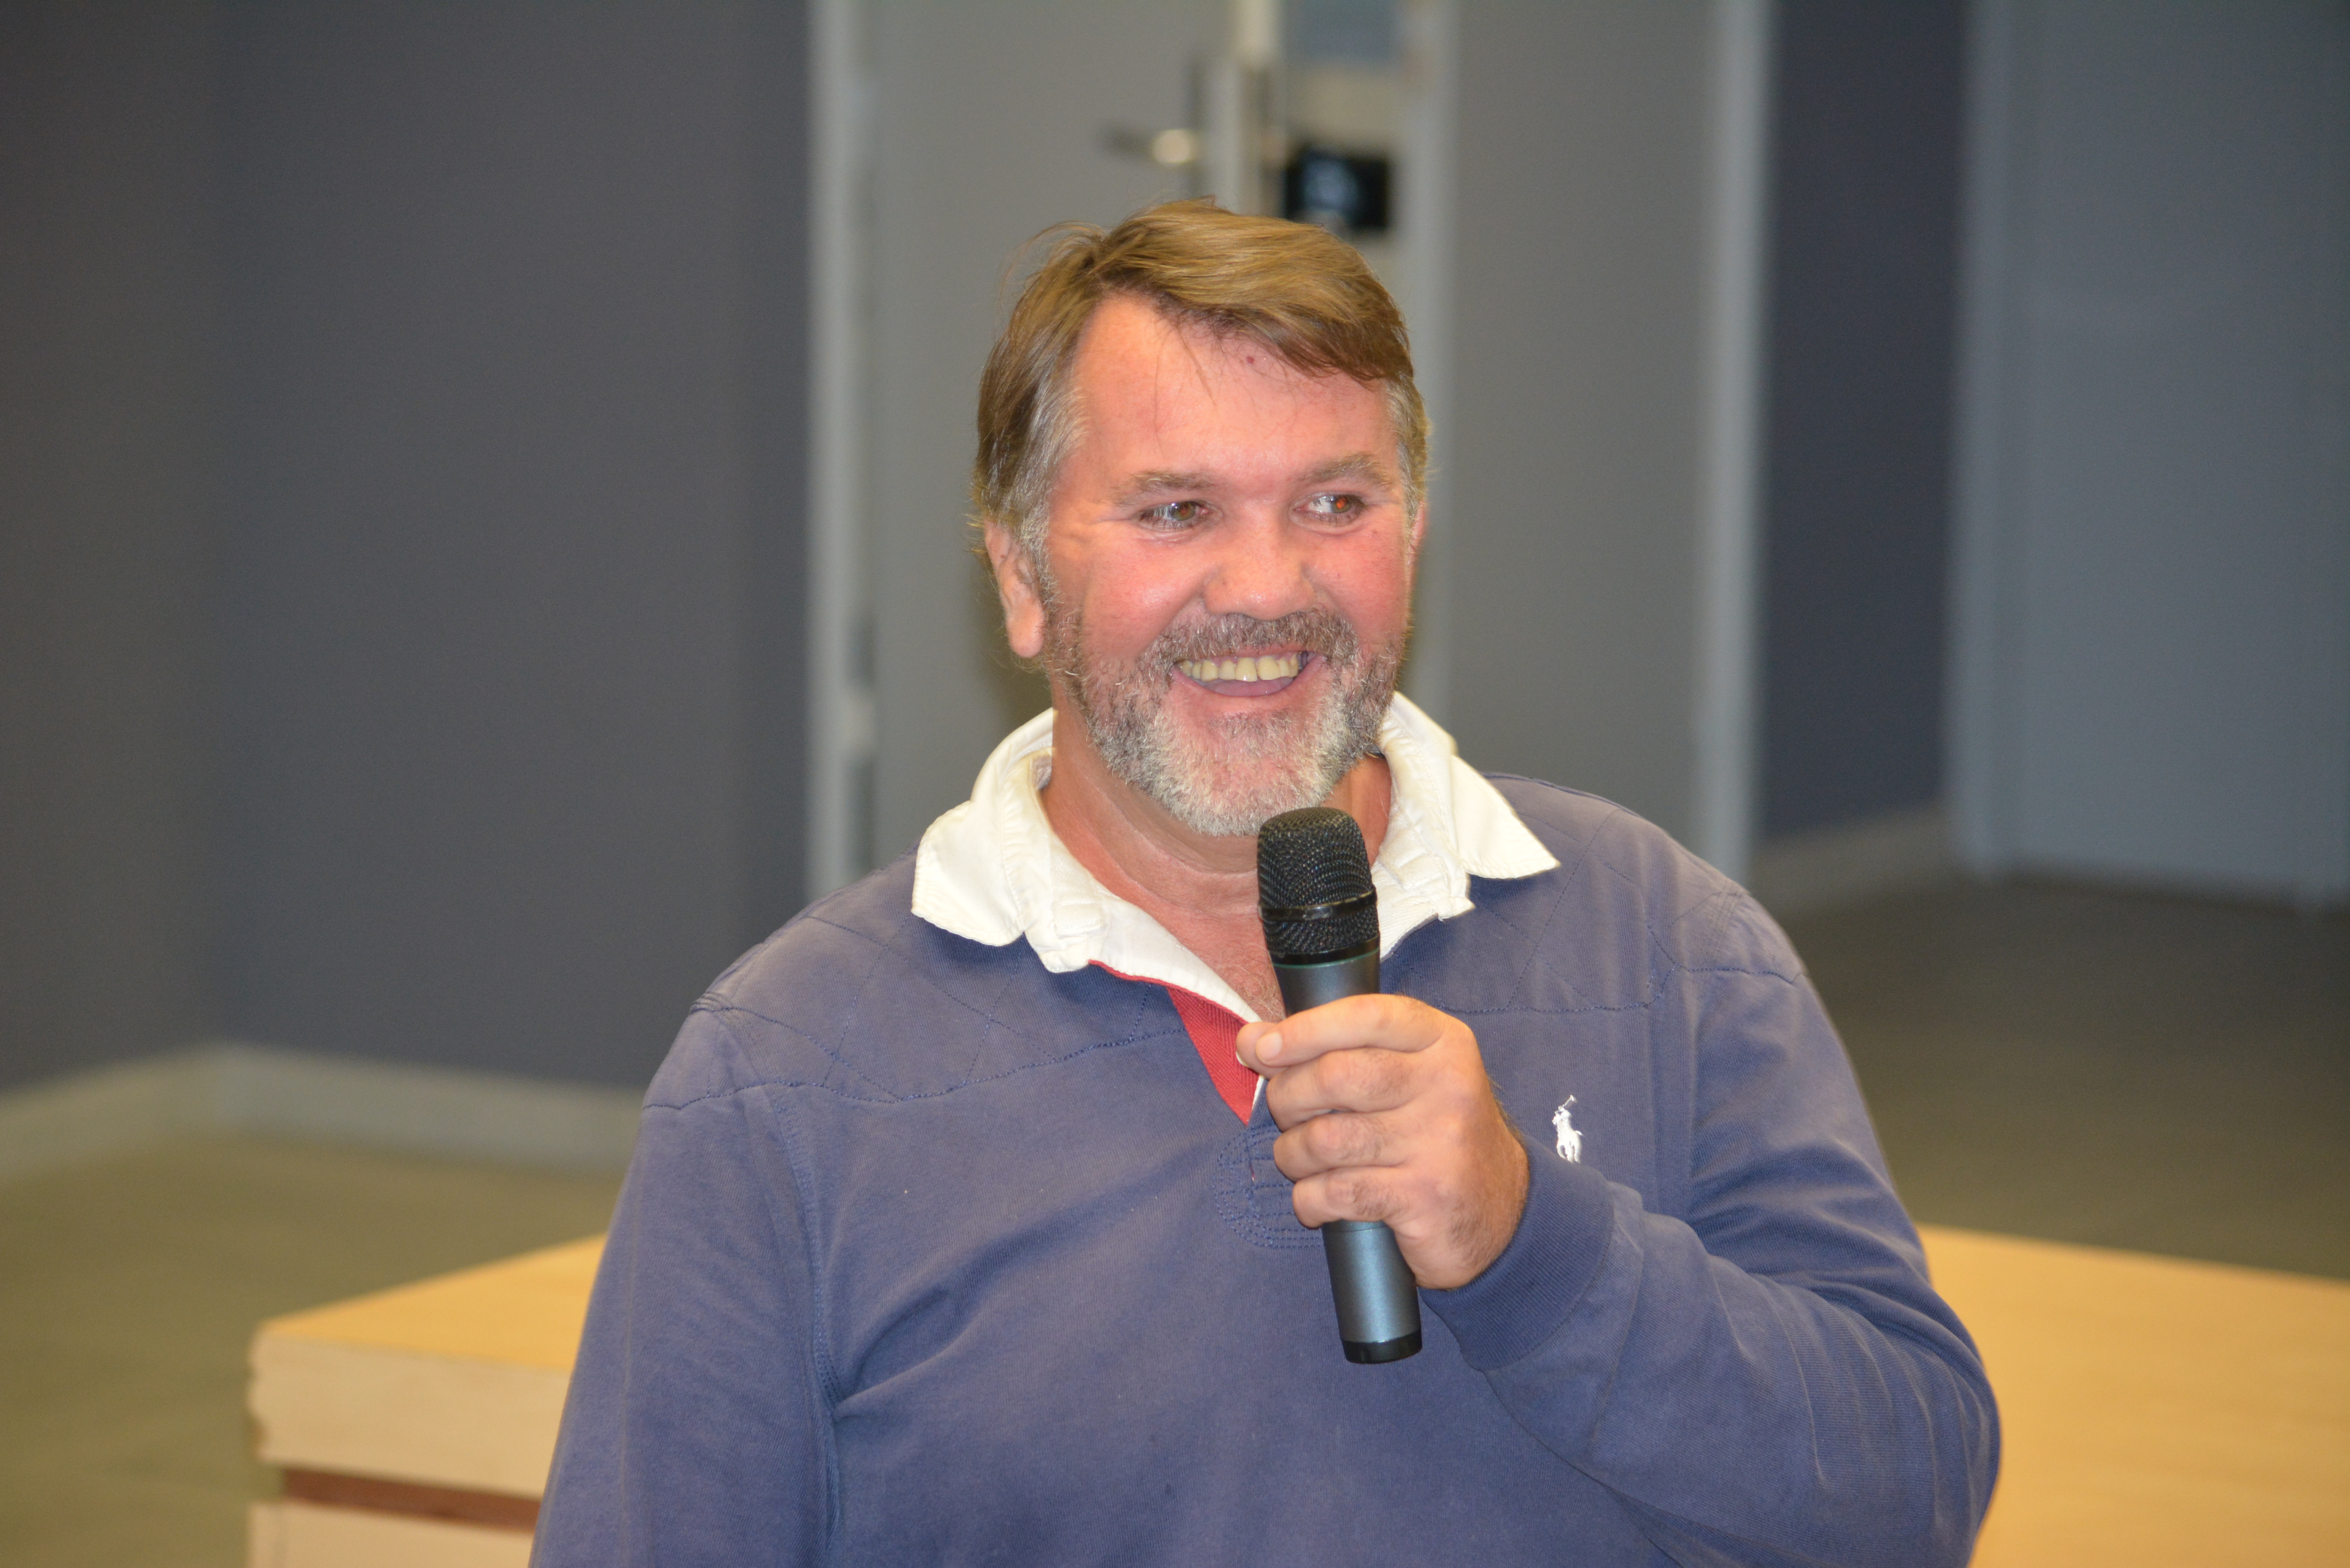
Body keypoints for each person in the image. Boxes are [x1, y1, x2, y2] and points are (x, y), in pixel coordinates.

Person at [534, 201, 1997, 1566]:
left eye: (1335, 502)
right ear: (1023, 576)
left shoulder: (1659, 941)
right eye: (1178, 511)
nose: (1266, 589)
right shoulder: (790, 1075)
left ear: (1412, 535)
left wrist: (1533, 1243)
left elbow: (1911, 1492)